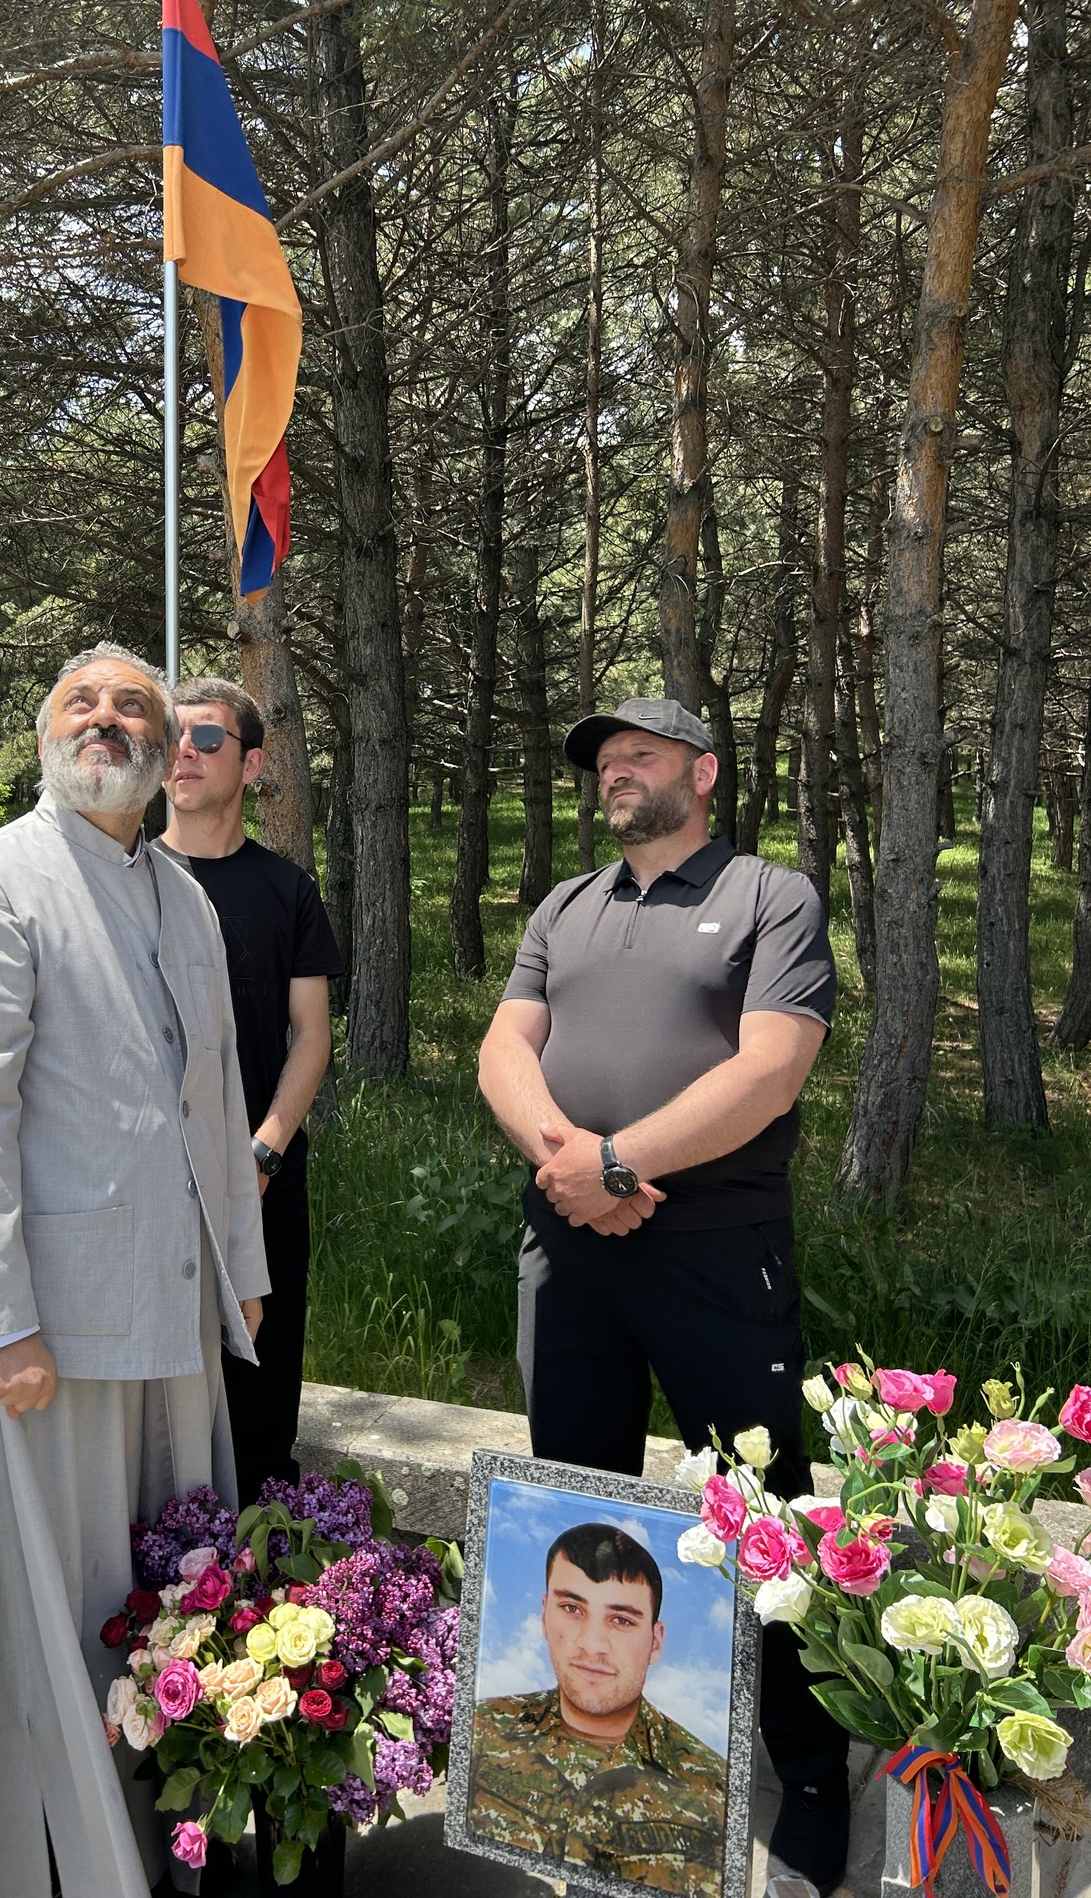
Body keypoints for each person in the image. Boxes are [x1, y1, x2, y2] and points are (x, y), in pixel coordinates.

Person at [0, 643, 268, 1898]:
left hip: (170, 1318)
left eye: (135, 706)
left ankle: (147, 1848)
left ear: (170, 748)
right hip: (39, 1343)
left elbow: (216, 1095)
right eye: (81, 701)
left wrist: (241, 1267)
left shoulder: (185, 896)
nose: (107, 719)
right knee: (42, 1626)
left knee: (156, 1609)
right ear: (44, 731)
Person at [476, 698, 849, 1896]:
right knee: (575, 1498)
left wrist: (619, 1162)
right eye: (603, 761)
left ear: (705, 770)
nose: (615, 772)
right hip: (568, 1246)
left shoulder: (769, 894)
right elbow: (504, 1049)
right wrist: (572, 1163)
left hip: (716, 1250)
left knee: (763, 1518)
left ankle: (809, 1774)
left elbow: (771, 1068)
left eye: (640, 754)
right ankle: (580, 1778)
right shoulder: (566, 904)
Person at [155, 676, 342, 1503]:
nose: (183, 754)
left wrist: (263, 1153)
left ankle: (259, 1556)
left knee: (260, 1393)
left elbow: (312, 1035)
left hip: (265, 1179)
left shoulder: (287, 891)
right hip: (152, 1185)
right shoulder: (130, 879)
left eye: (206, 739)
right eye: (172, 738)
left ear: (253, 764)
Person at [467, 1522, 727, 1893]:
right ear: (544, 1615)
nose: (592, 1644)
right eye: (572, 1608)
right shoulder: (480, 1728)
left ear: (655, 1642)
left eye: (621, 1620)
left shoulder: (714, 1788)